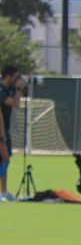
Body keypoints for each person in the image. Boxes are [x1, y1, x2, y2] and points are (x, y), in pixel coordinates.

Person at [0, 65, 25, 201]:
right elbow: (15, 103)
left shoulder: (10, 90)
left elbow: (18, 102)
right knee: (3, 160)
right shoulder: (1, 91)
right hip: (0, 131)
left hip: (5, 130)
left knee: (5, 160)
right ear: (8, 76)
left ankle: (3, 192)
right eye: (15, 77)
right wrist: (19, 88)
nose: (17, 80)